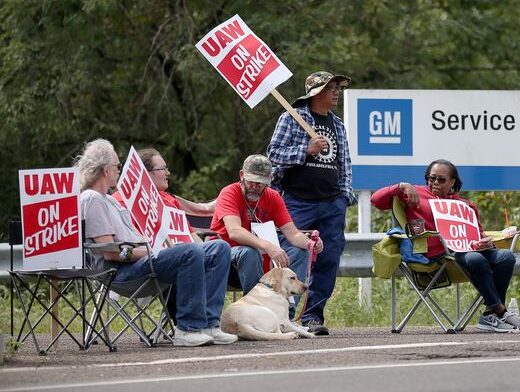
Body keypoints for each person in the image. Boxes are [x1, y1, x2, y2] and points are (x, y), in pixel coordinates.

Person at [76, 138, 237, 346]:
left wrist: (157, 244)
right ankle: (187, 328)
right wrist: (152, 251)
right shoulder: (92, 199)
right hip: (120, 271)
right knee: (188, 251)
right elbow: (111, 252)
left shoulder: (108, 200)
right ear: (105, 170)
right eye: (117, 166)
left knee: (219, 248)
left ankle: (209, 324)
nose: (120, 170)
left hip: (141, 258)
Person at [370, 159, 520, 333]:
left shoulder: (466, 205)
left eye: (441, 180)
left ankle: (489, 314)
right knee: (475, 259)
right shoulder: (415, 193)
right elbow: (376, 200)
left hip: (467, 250)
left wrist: (487, 242)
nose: (435, 183)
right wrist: (401, 186)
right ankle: (502, 312)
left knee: (506, 257)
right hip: (438, 255)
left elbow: (478, 234)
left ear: (452, 182)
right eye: (431, 179)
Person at [267, 71, 356, 336]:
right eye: (331, 88)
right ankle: (285, 317)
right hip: (297, 203)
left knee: (328, 260)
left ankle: (313, 316)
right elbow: (273, 154)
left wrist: (344, 195)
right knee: (293, 258)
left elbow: (344, 163)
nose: (337, 92)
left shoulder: (337, 124)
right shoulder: (292, 118)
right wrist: (306, 150)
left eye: (338, 87)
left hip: (332, 203)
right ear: (316, 92)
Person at [209, 154, 324, 317]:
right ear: (242, 175)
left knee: (300, 252)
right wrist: (268, 246)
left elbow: (292, 234)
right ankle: (254, 313)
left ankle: (285, 315)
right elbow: (234, 231)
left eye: (260, 182)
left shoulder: (273, 196)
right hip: (227, 262)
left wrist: (311, 244)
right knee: (250, 252)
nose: (255, 186)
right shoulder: (229, 192)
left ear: (269, 179)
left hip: (262, 259)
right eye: (251, 181)